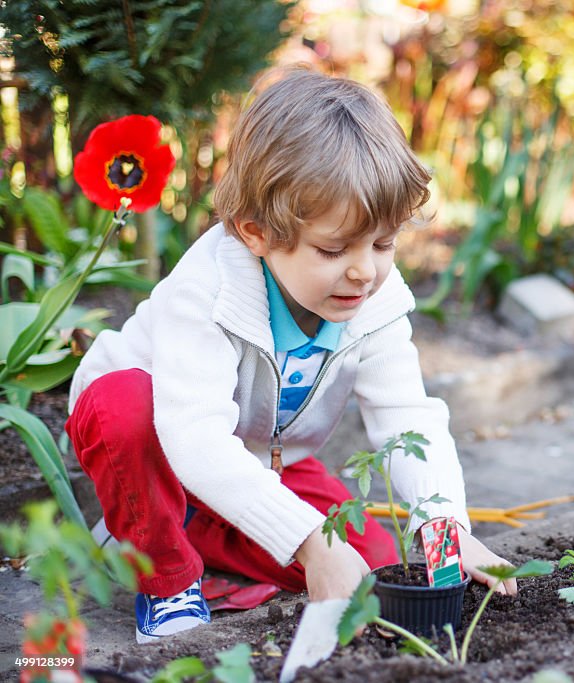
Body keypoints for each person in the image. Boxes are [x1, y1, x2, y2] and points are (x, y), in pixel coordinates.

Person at [65, 69, 517, 645]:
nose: (364, 270)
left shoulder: (372, 299)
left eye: (383, 243)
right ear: (256, 233)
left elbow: (408, 417)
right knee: (123, 404)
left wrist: (445, 530)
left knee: (371, 563)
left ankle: (199, 528)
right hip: (155, 441)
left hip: (260, 459)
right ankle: (165, 570)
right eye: (333, 249)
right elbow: (194, 440)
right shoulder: (206, 293)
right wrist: (310, 541)